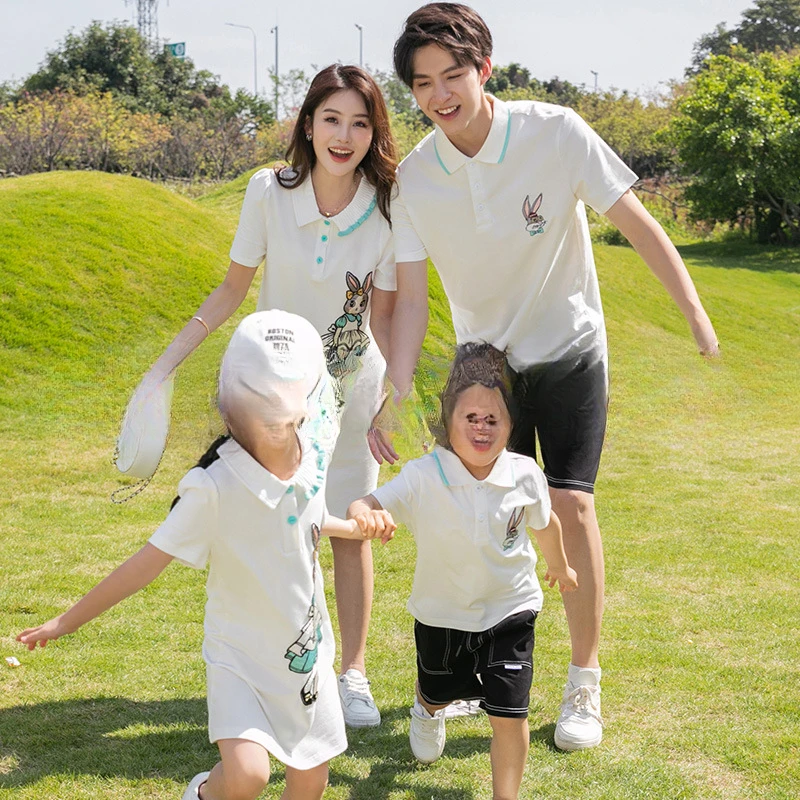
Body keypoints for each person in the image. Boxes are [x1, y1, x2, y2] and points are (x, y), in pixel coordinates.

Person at [381, 3, 721, 751]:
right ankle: (473, 673)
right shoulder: (413, 179)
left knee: (568, 505)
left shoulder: (555, 132)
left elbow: (635, 221)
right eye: (423, 83)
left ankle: (583, 684)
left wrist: (694, 310)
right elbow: (408, 298)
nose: (440, 94)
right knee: (476, 516)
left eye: (453, 75)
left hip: (568, 349)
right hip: (486, 369)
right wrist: (394, 388)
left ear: (484, 68)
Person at [17, 310, 396, 800]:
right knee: (247, 777)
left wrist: (356, 527)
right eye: (271, 418)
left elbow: (306, 519)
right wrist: (64, 622)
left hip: (304, 655)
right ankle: (201, 794)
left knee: (310, 780)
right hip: (238, 657)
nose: (282, 430)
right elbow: (144, 566)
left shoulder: (308, 458)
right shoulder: (212, 486)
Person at [129, 64, 399, 727]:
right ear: (308, 124)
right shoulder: (267, 192)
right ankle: (296, 668)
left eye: (360, 123)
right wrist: (161, 368)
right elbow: (231, 290)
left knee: (351, 530)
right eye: (331, 119)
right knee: (290, 530)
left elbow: (386, 317)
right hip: (280, 398)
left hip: (354, 391)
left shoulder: (390, 204)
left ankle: (354, 675)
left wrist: (398, 398)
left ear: (374, 134)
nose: (345, 136)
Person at [348, 342, 577, 800]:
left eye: (493, 419)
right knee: (438, 688)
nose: (481, 427)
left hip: (511, 609)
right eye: (470, 417)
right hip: (441, 614)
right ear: (446, 424)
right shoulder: (422, 475)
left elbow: (544, 521)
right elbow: (365, 503)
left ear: (510, 426)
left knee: (510, 716)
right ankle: (428, 709)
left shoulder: (524, 473)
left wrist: (559, 564)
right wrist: (364, 513)